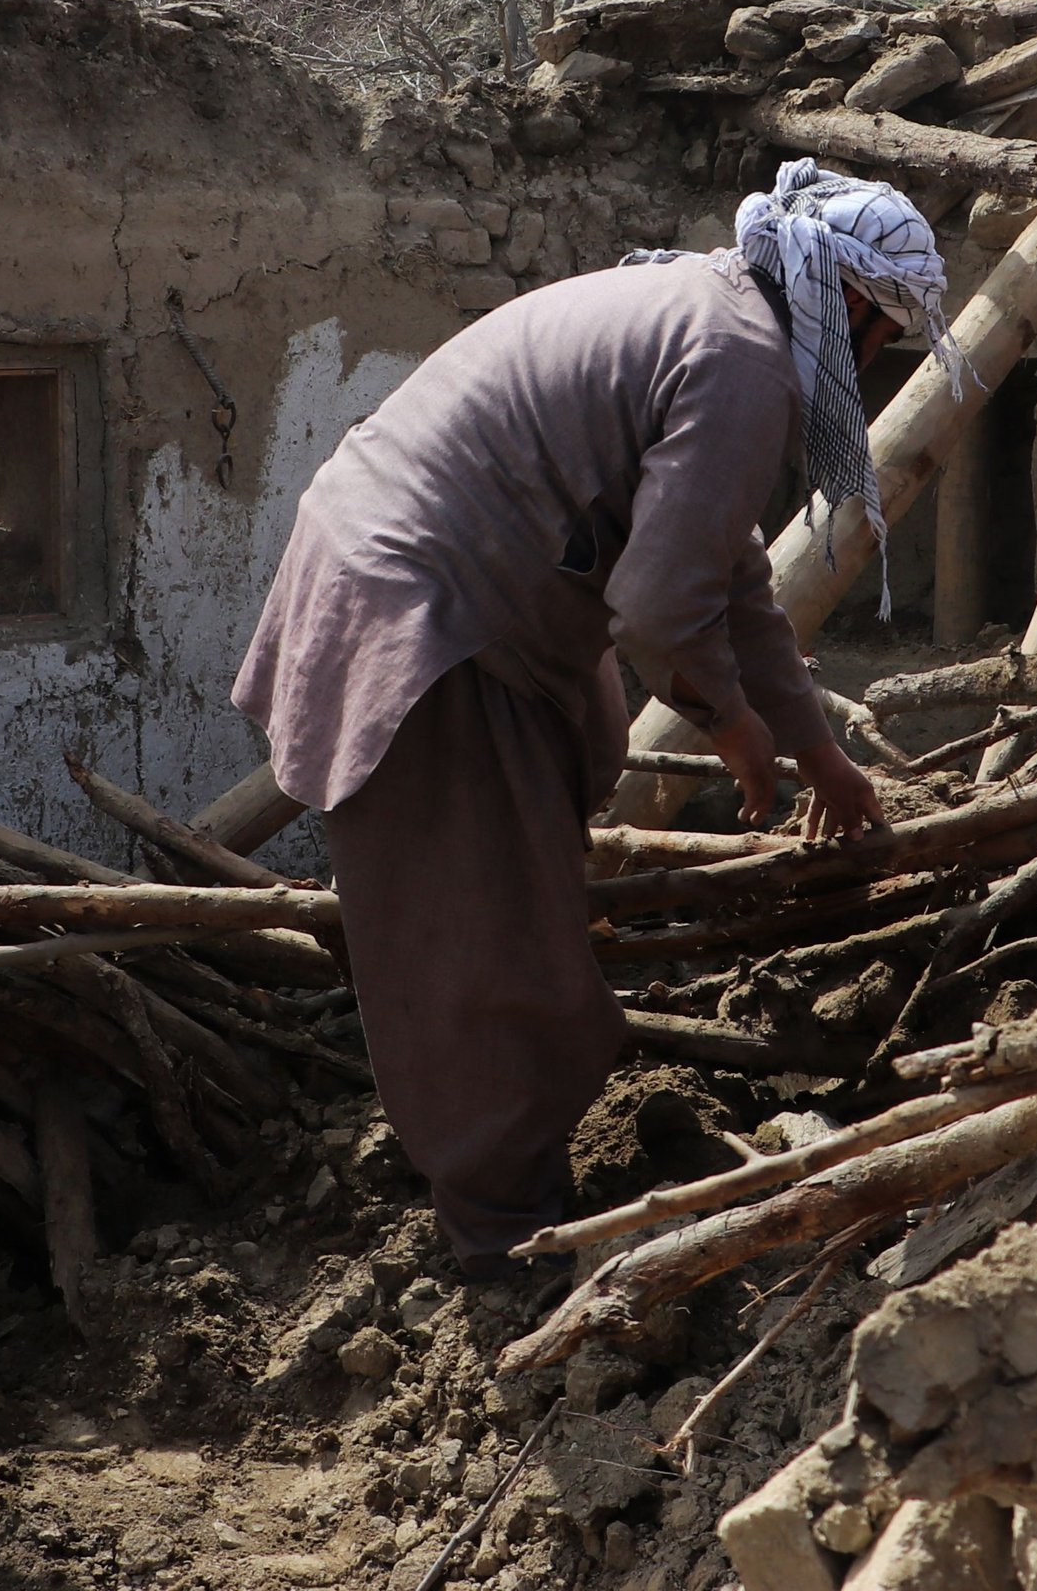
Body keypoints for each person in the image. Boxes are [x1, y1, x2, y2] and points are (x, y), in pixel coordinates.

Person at [235, 161, 957, 1273]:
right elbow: (662, 609)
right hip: (425, 613)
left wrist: (820, 751)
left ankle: (505, 1151)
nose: (872, 372)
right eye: (885, 341)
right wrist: (735, 730)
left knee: (571, 773)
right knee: (489, 948)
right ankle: (498, 1241)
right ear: (855, 307)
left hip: (459, 601)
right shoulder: (739, 359)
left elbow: (733, 579)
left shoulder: (715, 317)